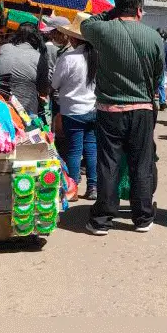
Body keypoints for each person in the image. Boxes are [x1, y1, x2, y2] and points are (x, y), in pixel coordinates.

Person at [81, 0, 165, 236]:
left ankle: (103, 220)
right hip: (142, 110)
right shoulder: (154, 37)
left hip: (110, 110)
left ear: (118, 9)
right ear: (139, 9)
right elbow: (157, 75)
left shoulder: (103, 30)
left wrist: (111, 13)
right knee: (142, 163)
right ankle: (143, 218)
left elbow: (86, 23)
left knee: (109, 163)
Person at [51, 13, 99, 201]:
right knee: (91, 149)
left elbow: (55, 83)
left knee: (74, 150)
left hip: (72, 111)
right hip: (93, 109)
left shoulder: (69, 58)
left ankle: (72, 189)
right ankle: (93, 187)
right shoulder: (97, 56)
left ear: (73, 37)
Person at [0, 22, 50, 117]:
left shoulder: (3, 48)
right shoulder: (39, 57)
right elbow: (43, 90)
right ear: (36, 39)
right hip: (25, 113)